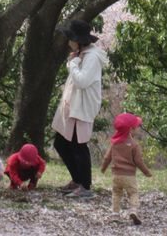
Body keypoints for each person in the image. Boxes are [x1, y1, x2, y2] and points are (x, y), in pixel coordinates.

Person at [51, 19, 109, 200]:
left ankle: (85, 186)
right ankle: (77, 180)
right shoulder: (81, 54)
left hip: (82, 107)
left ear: (78, 40)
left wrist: (72, 64)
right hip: (73, 106)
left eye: (70, 38)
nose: (68, 42)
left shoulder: (91, 57)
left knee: (78, 146)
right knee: (61, 143)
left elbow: (82, 81)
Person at [100, 113, 153, 226]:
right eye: (137, 126)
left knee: (116, 193)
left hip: (116, 175)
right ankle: (133, 210)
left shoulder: (114, 143)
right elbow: (139, 162)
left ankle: (115, 214)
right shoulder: (134, 145)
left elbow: (107, 158)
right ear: (131, 130)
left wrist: (103, 169)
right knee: (133, 193)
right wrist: (147, 172)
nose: (139, 128)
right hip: (129, 176)